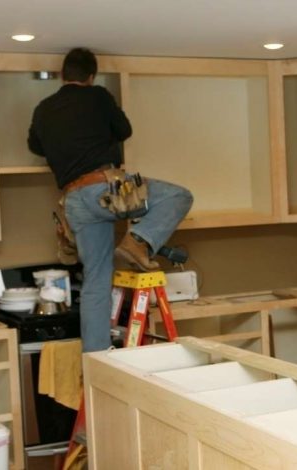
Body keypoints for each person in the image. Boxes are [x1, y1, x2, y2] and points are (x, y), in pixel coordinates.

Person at [28, 47, 193, 352]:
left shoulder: (43, 108)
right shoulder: (98, 96)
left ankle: (96, 360)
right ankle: (139, 240)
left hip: (74, 201)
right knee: (179, 196)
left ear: (64, 75)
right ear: (90, 76)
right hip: (106, 191)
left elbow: (35, 145)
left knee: (96, 283)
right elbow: (124, 130)